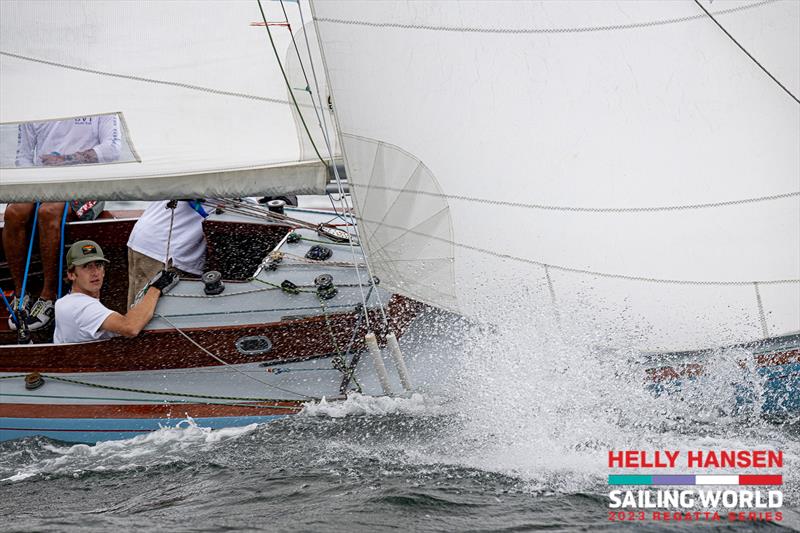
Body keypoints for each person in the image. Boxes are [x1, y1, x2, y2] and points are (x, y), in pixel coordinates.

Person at [5, 115, 121, 331]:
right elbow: (23, 157)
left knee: (49, 212)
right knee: (13, 213)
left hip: (87, 186)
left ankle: (48, 295)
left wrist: (68, 159)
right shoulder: (35, 104)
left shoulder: (101, 101)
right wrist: (36, 182)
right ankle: (21, 293)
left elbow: (112, 149)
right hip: (44, 183)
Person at [53, 240, 177, 344]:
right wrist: (156, 288)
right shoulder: (81, 306)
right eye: (87, 266)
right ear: (71, 274)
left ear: (104, 271)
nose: (95, 272)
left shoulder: (64, 302)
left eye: (99, 265)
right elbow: (131, 327)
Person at [126, 200, 207, 308]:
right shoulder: (221, 185)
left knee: (136, 308)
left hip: (144, 238)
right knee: (149, 315)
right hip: (163, 250)